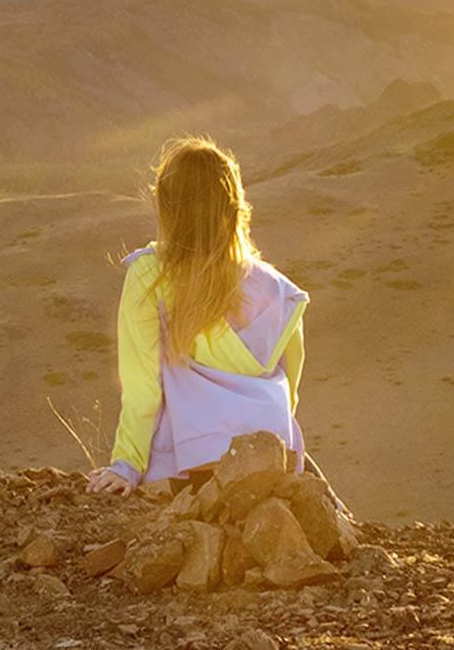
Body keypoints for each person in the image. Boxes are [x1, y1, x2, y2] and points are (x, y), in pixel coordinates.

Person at [87, 138, 315, 495]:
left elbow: (141, 384)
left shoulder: (151, 275)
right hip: (273, 452)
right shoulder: (281, 290)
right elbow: (291, 386)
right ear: (234, 205)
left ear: (169, 206)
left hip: (200, 456)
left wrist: (127, 464)